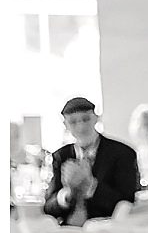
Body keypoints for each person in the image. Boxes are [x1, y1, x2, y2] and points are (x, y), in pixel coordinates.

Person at [42, 96, 140, 225]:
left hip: (109, 229)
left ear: (96, 118)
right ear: (65, 125)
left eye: (86, 119)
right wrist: (67, 194)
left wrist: (90, 185)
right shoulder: (60, 156)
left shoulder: (122, 153)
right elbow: (49, 207)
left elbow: (127, 203)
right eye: (73, 122)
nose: (81, 127)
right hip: (69, 230)